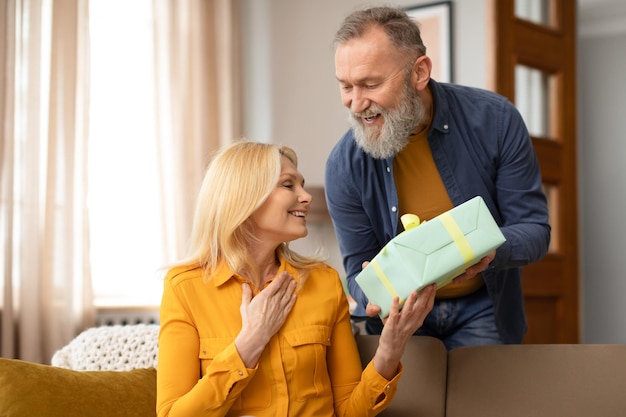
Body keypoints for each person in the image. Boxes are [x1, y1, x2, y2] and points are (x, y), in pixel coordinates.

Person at [156, 141, 437, 417]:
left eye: (301, 184)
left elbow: (350, 410)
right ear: (244, 197)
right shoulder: (185, 288)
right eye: (288, 185)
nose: (307, 196)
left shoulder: (324, 282)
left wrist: (390, 349)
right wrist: (250, 343)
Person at [325, 6, 550, 350]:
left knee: (483, 406)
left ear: (419, 72)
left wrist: (486, 251)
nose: (356, 104)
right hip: (402, 321)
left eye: (370, 84)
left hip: (484, 309)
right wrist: (369, 292)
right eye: (346, 87)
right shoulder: (343, 165)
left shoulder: (496, 120)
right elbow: (358, 268)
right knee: (413, 407)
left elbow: (534, 231)